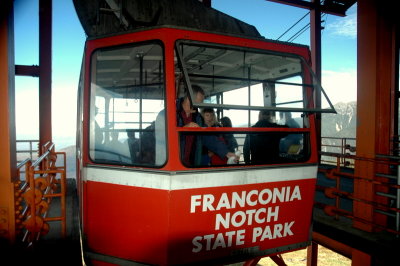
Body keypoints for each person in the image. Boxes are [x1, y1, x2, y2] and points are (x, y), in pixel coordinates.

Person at [176, 85, 238, 166]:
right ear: (189, 98)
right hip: (174, 165)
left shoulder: (197, 118)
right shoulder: (170, 114)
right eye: (199, 102)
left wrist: (225, 152)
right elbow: (163, 139)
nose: (200, 105)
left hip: (191, 165)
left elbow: (206, 137)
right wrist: (182, 130)